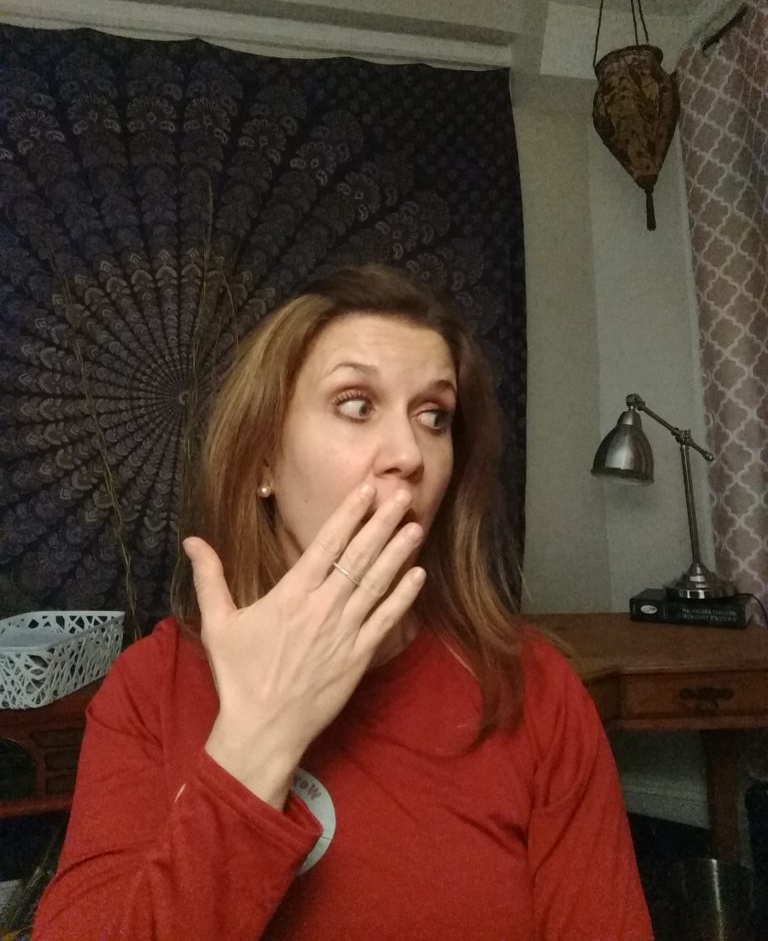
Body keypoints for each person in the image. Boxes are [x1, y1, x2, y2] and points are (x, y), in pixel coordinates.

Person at [32, 263, 652, 941]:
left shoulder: (534, 694)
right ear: (263, 459)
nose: (409, 454)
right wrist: (258, 741)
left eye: (434, 416)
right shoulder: (149, 690)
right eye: (356, 405)